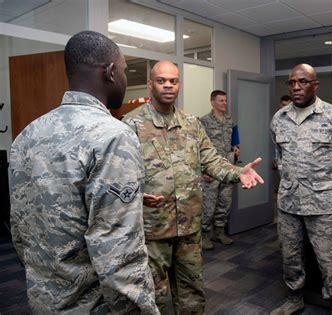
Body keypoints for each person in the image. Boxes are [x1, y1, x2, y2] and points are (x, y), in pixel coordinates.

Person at [9, 31, 158, 314]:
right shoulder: (113, 136)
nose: (126, 79)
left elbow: (20, 229)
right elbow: (119, 253)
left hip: (44, 299)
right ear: (111, 72)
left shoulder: (27, 134)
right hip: (93, 305)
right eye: (125, 71)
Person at [122, 60, 264, 314]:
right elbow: (119, 175)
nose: (168, 85)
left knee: (192, 292)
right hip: (153, 229)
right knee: (152, 296)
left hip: (188, 226)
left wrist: (237, 172)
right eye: (161, 80)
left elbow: (210, 160)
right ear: (150, 84)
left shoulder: (191, 123)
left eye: (173, 81)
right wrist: (136, 195)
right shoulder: (130, 125)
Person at [271, 64, 332, 315]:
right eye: (291, 83)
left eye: (303, 81)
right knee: (291, 257)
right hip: (289, 204)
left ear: (315, 85)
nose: (296, 87)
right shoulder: (279, 118)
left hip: (326, 207)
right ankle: (294, 298)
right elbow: (280, 158)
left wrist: (329, 188)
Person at [200, 90, 239, 250]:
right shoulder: (204, 121)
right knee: (209, 204)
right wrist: (203, 170)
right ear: (212, 102)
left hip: (228, 167)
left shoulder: (230, 121)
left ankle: (219, 232)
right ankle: (204, 235)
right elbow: (198, 147)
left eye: (225, 100)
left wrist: (236, 149)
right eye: (221, 101)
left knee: (225, 202)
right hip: (212, 169)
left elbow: (235, 140)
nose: (225, 103)